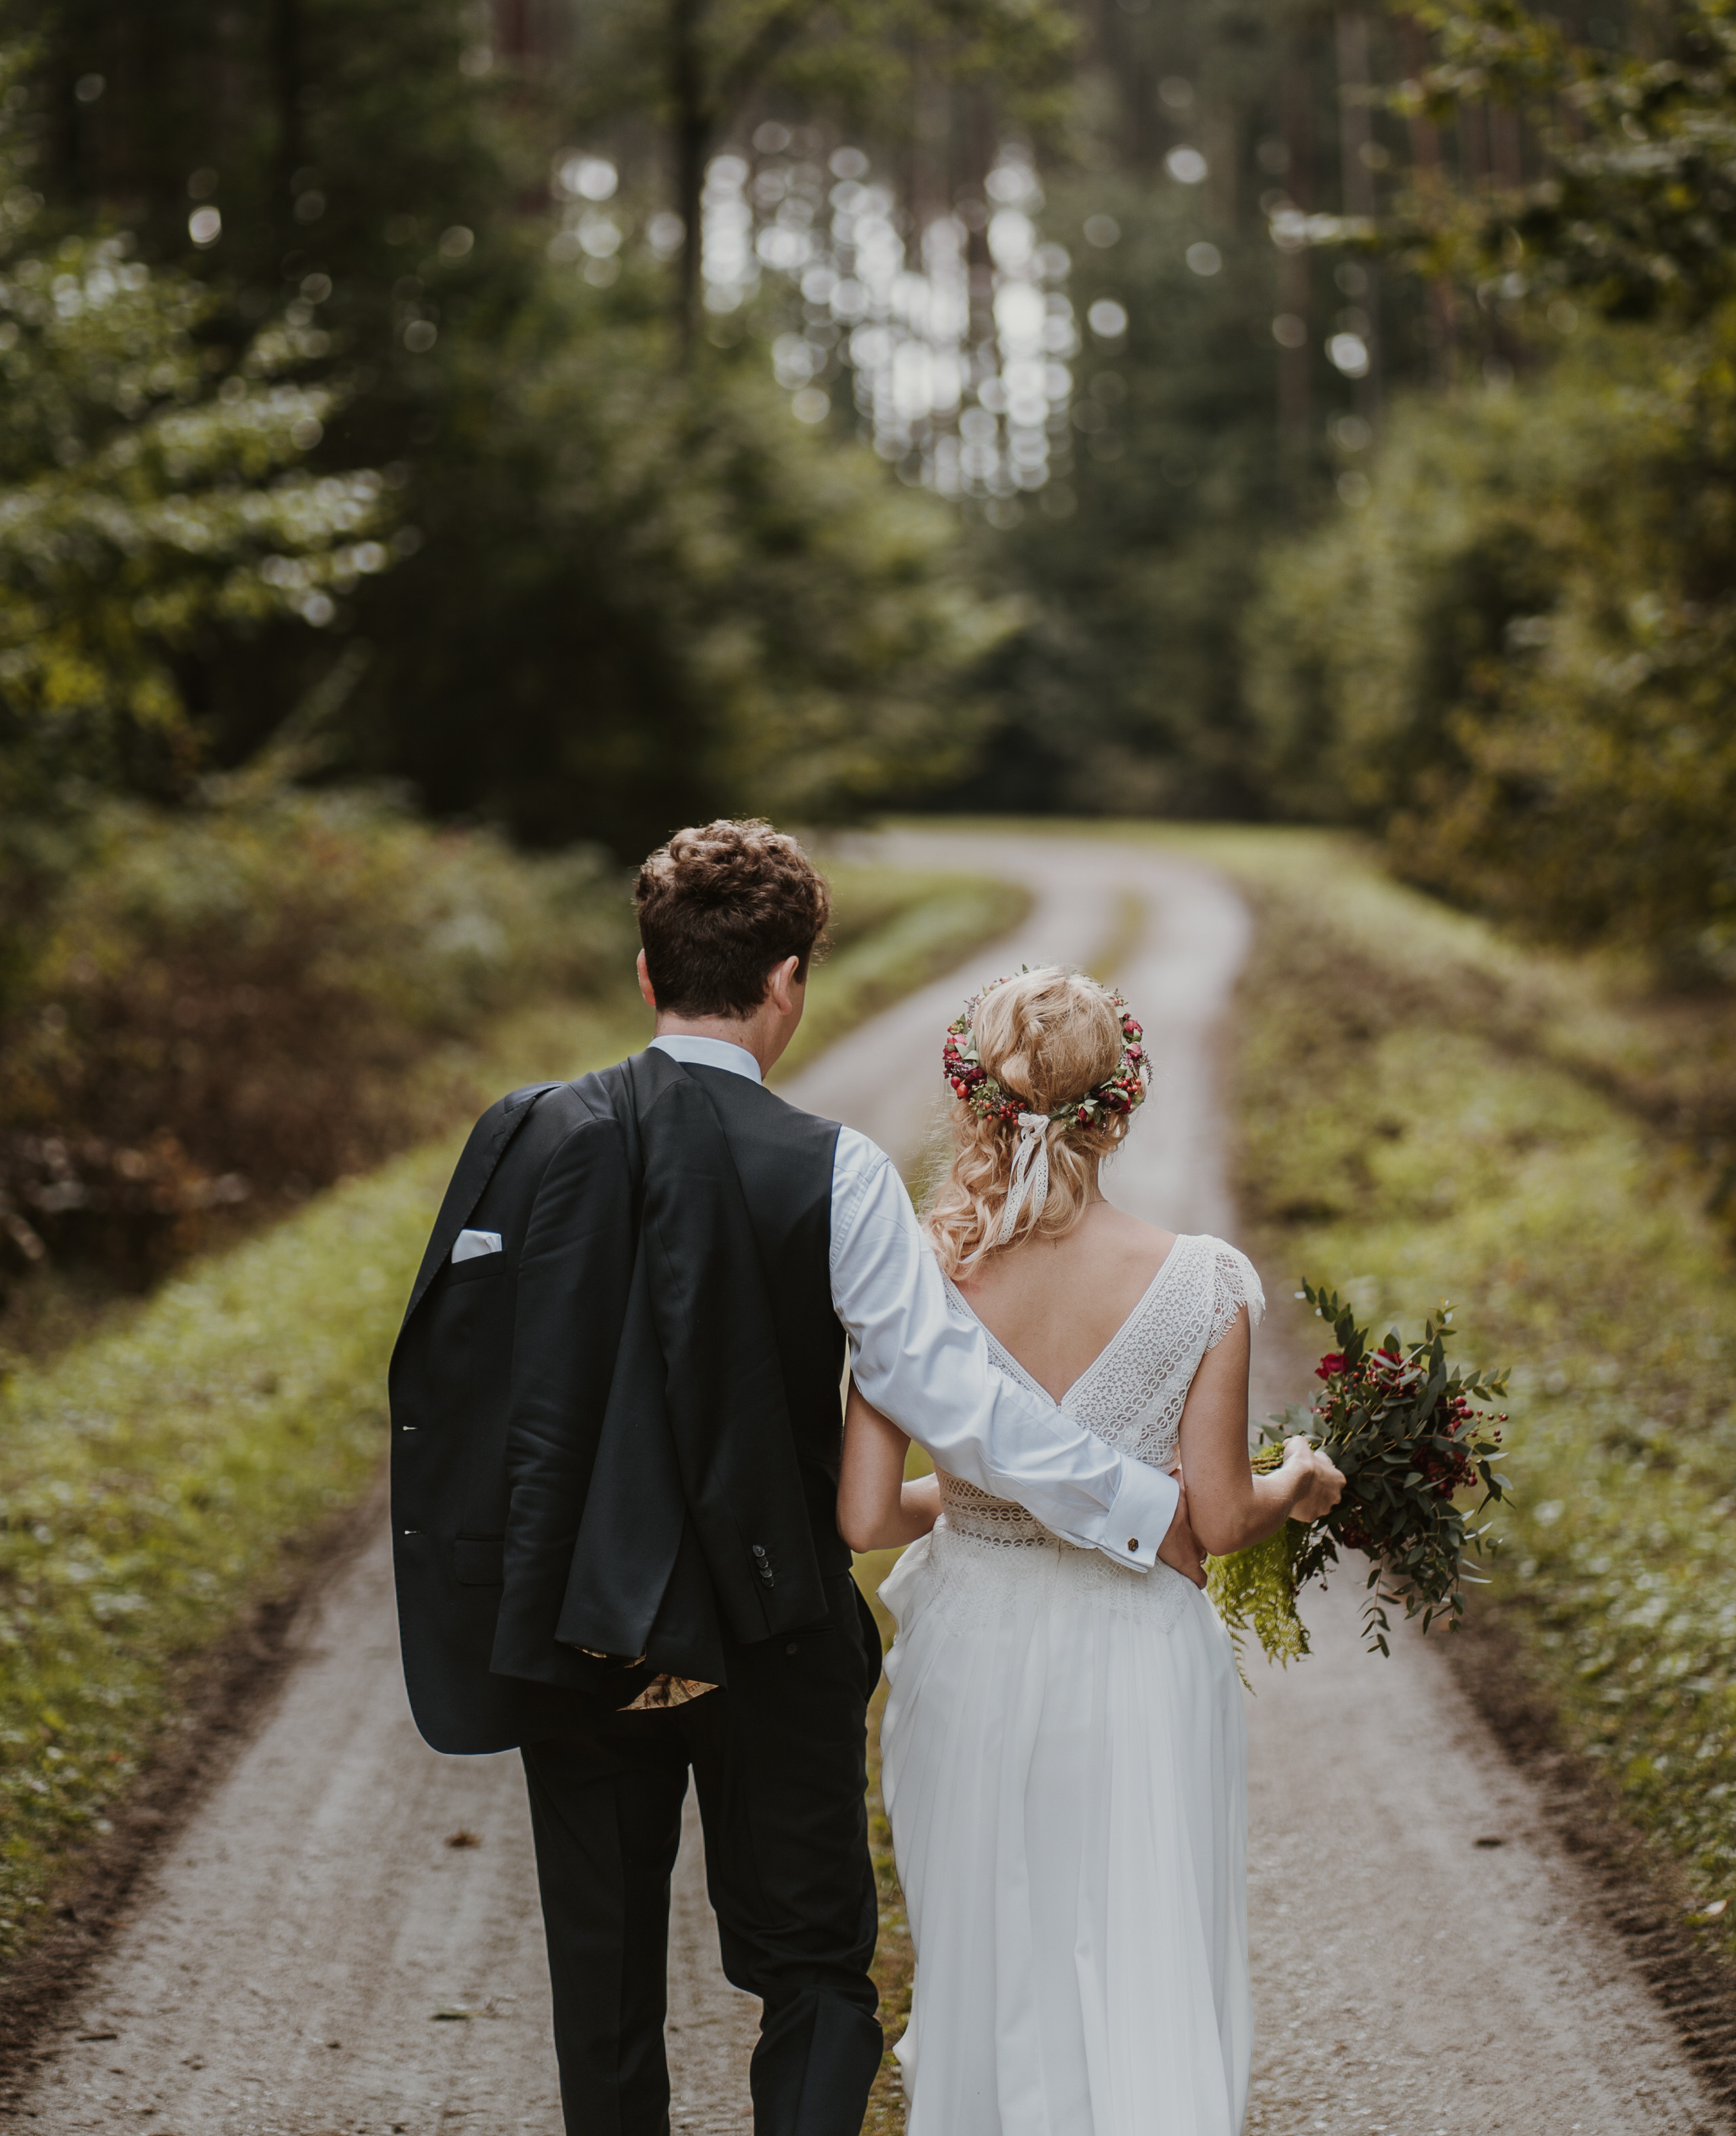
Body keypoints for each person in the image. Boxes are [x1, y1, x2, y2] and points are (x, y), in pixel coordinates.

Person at [389, 822, 1206, 2136]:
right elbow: (957, 1399)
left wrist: (493, 1585)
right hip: (766, 1634)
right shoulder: (829, 1170)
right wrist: (1140, 1508)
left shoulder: (519, 1137)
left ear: (647, 978)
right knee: (816, 1976)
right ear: (787, 984)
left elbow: (455, 1388)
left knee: (600, 2001)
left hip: (569, 1632)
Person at [838, 965, 1344, 2136]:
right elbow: (1216, 1524)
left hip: (971, 1641)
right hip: (1137, 1650)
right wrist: (1303, 1481)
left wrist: (978, 1505)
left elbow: (864, 1517)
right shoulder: (1203, 1284)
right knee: (1146, 1949)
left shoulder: (913, 1273)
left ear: (975, 1102)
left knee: (986, 1962)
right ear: (1120, 1108)